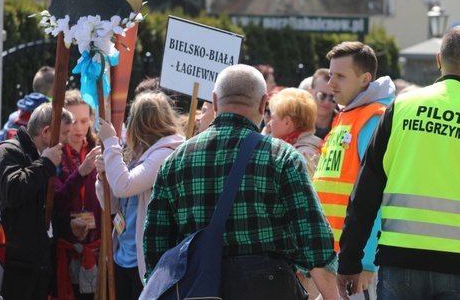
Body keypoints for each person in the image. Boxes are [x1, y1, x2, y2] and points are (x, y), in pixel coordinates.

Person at [336, 25, 460, 300]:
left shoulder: (400, 108)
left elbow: (365, 191)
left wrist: (349, 261)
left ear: (439, 60)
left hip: (400, 261)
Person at [144, 64, 339, 300]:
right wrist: (332, 296)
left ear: (215, 102)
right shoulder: (282, 157)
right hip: (270, 286)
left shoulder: (174, 162)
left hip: (197, 289)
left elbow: (156, 245)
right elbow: (313, 237)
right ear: (262, 103)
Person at [311, 41, 395, 299]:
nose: (330, 84)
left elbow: (377, 193)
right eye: (330, 74)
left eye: (340, 76)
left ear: (365, 79)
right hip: (338, 258)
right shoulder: (347, 115)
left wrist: (367, 261)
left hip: (356, 265)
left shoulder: (373, 118)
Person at [95, 92, 185, 300]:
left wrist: (110, 143)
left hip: (144, 260)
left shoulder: (166, 152)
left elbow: (124, 186)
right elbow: (113, 203)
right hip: (122, 254)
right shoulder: (138, 151)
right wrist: (102, 178)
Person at [0, 103, 64, 300]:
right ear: (46, 132)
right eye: (64, 133)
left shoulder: (39, 157)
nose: (66, 140)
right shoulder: (7, 152)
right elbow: (13, 192)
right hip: (15, 264)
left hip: (35, 262)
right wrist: (45, 164)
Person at [52, 90, 102, 300]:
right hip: (65, 251)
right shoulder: (54, 154)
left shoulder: (99, 149)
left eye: (84, 120)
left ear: (91, 119)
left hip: (98, 250)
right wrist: (81, 172)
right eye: (73, 122)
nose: (79, 128)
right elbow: (56, 202)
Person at [267, 87, 322, 176]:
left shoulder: (301, 155)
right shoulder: (303, 150)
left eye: (272, 117)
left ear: (287, 122)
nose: (269, 124)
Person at [309, 68, 337, 140]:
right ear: (310, 93)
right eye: (321, 95)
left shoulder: (344, 124)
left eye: (332, 97)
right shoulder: (295, 123)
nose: (326, 102)